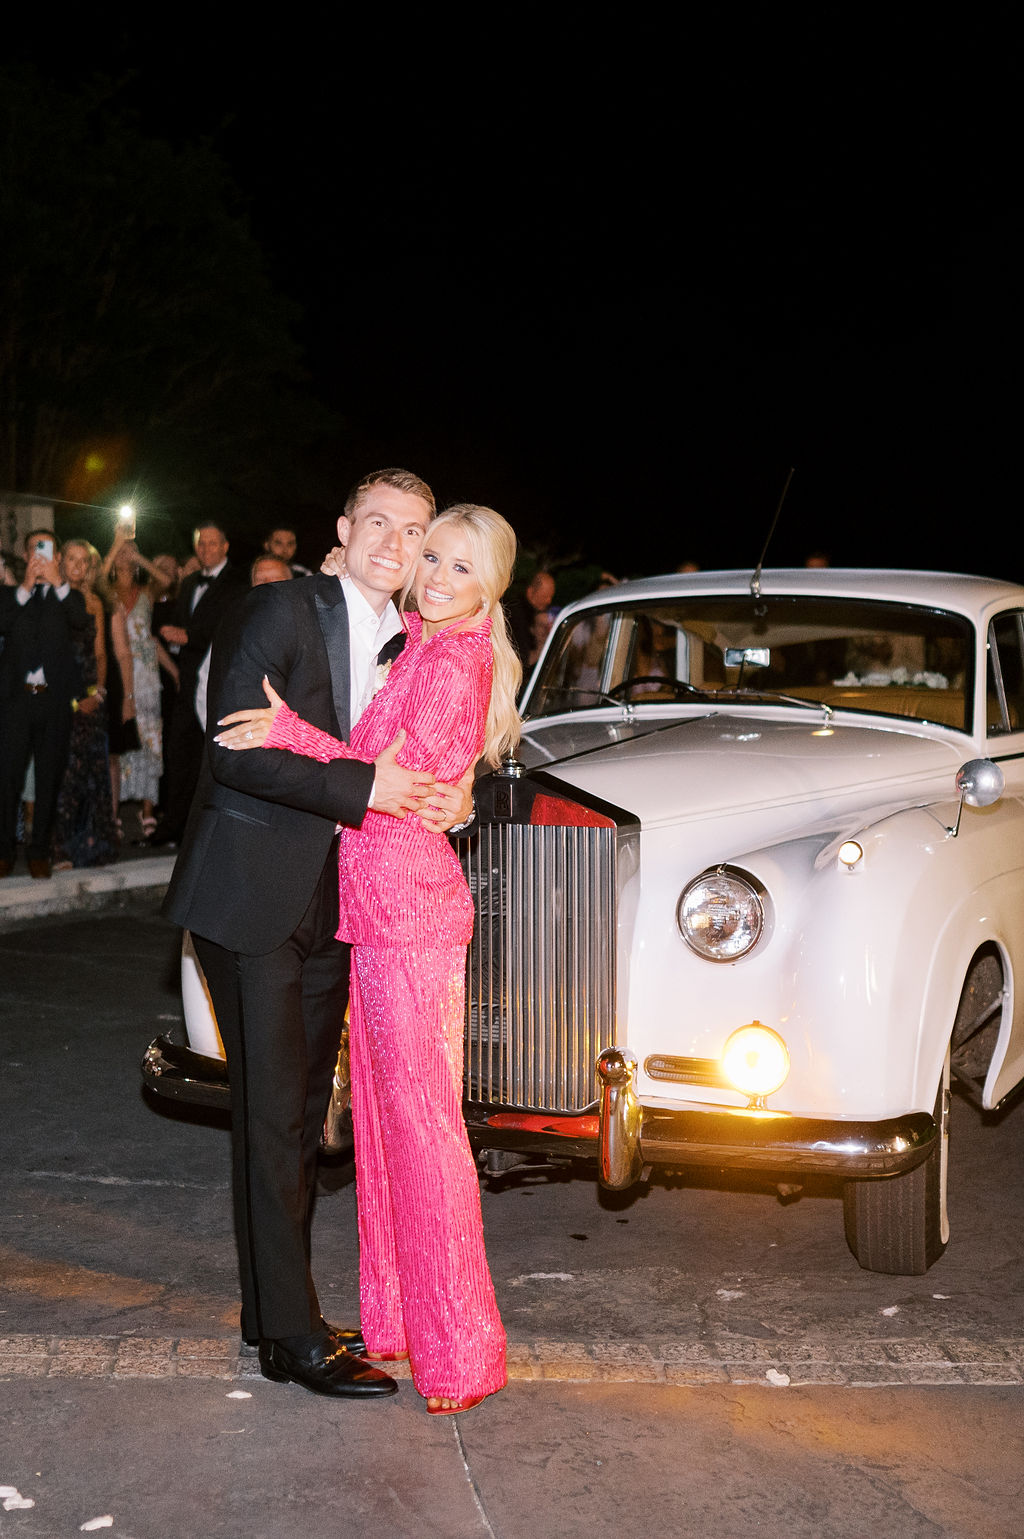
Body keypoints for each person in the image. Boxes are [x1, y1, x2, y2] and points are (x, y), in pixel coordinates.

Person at [161, 467, 474, 1401]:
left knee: (300, 1120)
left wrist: (452, 796)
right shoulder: (283, 610)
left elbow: (434, 752)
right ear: (343, 526)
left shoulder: (417, 641)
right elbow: (231, 747)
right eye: (377, 522)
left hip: (346, 905)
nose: (395, 543)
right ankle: (293, 1336)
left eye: (414, 531)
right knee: (271, 1116)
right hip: (256, 893)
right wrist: (364, 786)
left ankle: (278, 1312)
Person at [217, 503, 520, 1415]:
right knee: (386, 1137)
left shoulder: (457, 656)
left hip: (412, 916)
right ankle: (396, 1324)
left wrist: (285, 728)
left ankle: (465, 1351)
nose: (434, 574)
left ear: (490, 587)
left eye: (460, 567)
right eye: (432, 555)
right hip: (374, 914)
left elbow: (392, 775)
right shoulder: (421, 636)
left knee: (426, 1136)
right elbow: (400, 771)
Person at [150, 522, 247, 846]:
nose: (205, 549)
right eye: (200, 544)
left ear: (225, 546)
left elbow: (234, 627)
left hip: (220, 682)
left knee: (215, 757)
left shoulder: (238, 581)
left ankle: (209, 831)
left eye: (211, 543)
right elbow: (179, 625)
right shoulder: (189, 581)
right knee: (179, 755)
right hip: (187, 681)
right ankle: (173, 827)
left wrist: (190, 637)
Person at [0, 530, 90, 878]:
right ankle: (4, 850)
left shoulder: (67, 597)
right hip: (14, 702)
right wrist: (25, 585)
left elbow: (82, 621)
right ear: (25, 555)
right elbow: (3, 621)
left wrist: (59, 583)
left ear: (55, 556)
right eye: (35, 549)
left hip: (53, 701)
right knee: (8, 777)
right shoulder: (11, 594)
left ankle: (40, 851)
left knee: (50, 777)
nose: (40, 556)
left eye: (47, 549)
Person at [51, 540, 119, 869]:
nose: (78, 566)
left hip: (92, 700)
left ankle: (92, 845)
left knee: (91, 774)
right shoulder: (50, 600)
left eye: (83, 561)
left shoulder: (94, 602)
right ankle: (60, 848)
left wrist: (99, 693)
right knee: (63, 775)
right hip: (61, 699)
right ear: (61, 562)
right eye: (72, 560)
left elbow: (102, 654)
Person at [103, 529, 174, 840]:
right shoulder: (105, 593)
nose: (123, 556)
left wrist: (138, 555)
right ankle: (114, 811)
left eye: (127, 553)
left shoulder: (145, 593)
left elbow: (167, 581)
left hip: (146, 677)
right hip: (119, 676)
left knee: (150, 741)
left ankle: (147, 810)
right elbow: (96, 574)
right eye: (120, 552)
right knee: (120, 742)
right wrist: (116, 544)